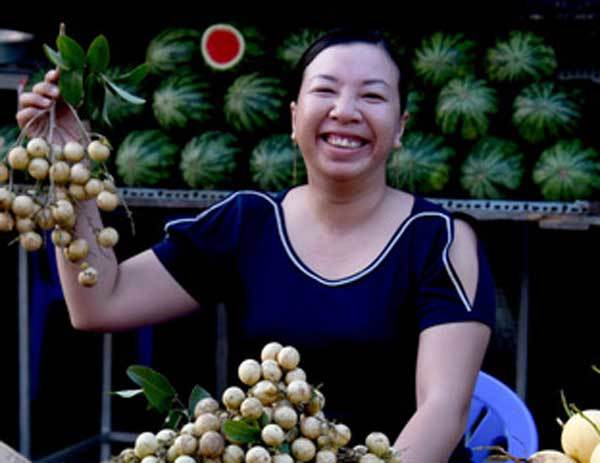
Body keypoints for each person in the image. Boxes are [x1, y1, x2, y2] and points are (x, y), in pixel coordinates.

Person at [16, 28, 494, 463]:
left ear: (401, 127)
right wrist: (65, 161)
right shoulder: (247, 223)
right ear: (294, 116)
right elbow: (99, 302)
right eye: (325, 90)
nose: (345, 111)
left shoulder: (441, 240)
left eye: (372, 96)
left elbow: (443, 410)